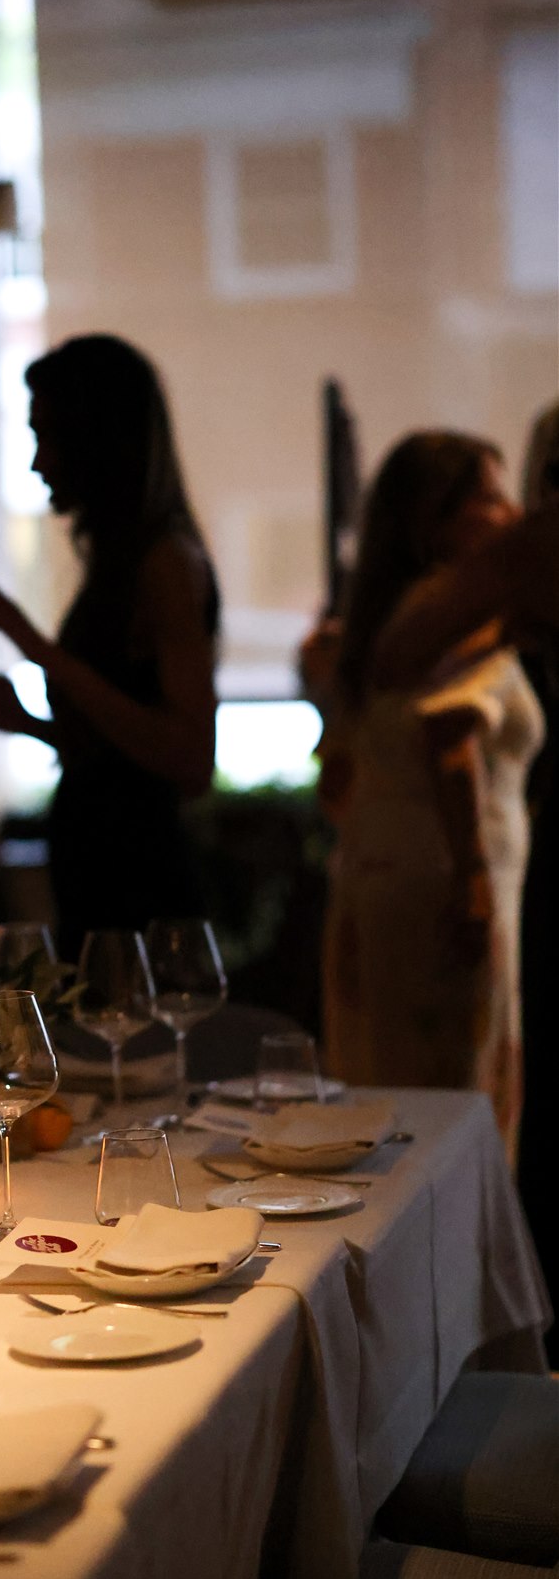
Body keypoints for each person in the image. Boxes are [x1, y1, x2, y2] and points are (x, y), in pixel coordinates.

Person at [0, 334, 219, 954]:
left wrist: (40, 650)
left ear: (96, 440)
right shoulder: (124, 561)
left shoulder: (166, 563)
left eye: (47, 437)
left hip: (139, 896)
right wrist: (26, 723)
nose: (37, 463)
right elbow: (120, 767)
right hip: (102, 887)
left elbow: (188, 759)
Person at [320, 431, 544, 1160]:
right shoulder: (455, 611)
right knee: (455, 1106)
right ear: (433, 517)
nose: (513, 514)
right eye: (490, 497)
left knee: (386, 1098)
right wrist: (472, 878)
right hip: (446, 880)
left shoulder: (381, 618)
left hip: (377, 878)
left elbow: (335, 782)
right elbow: (451, 733)